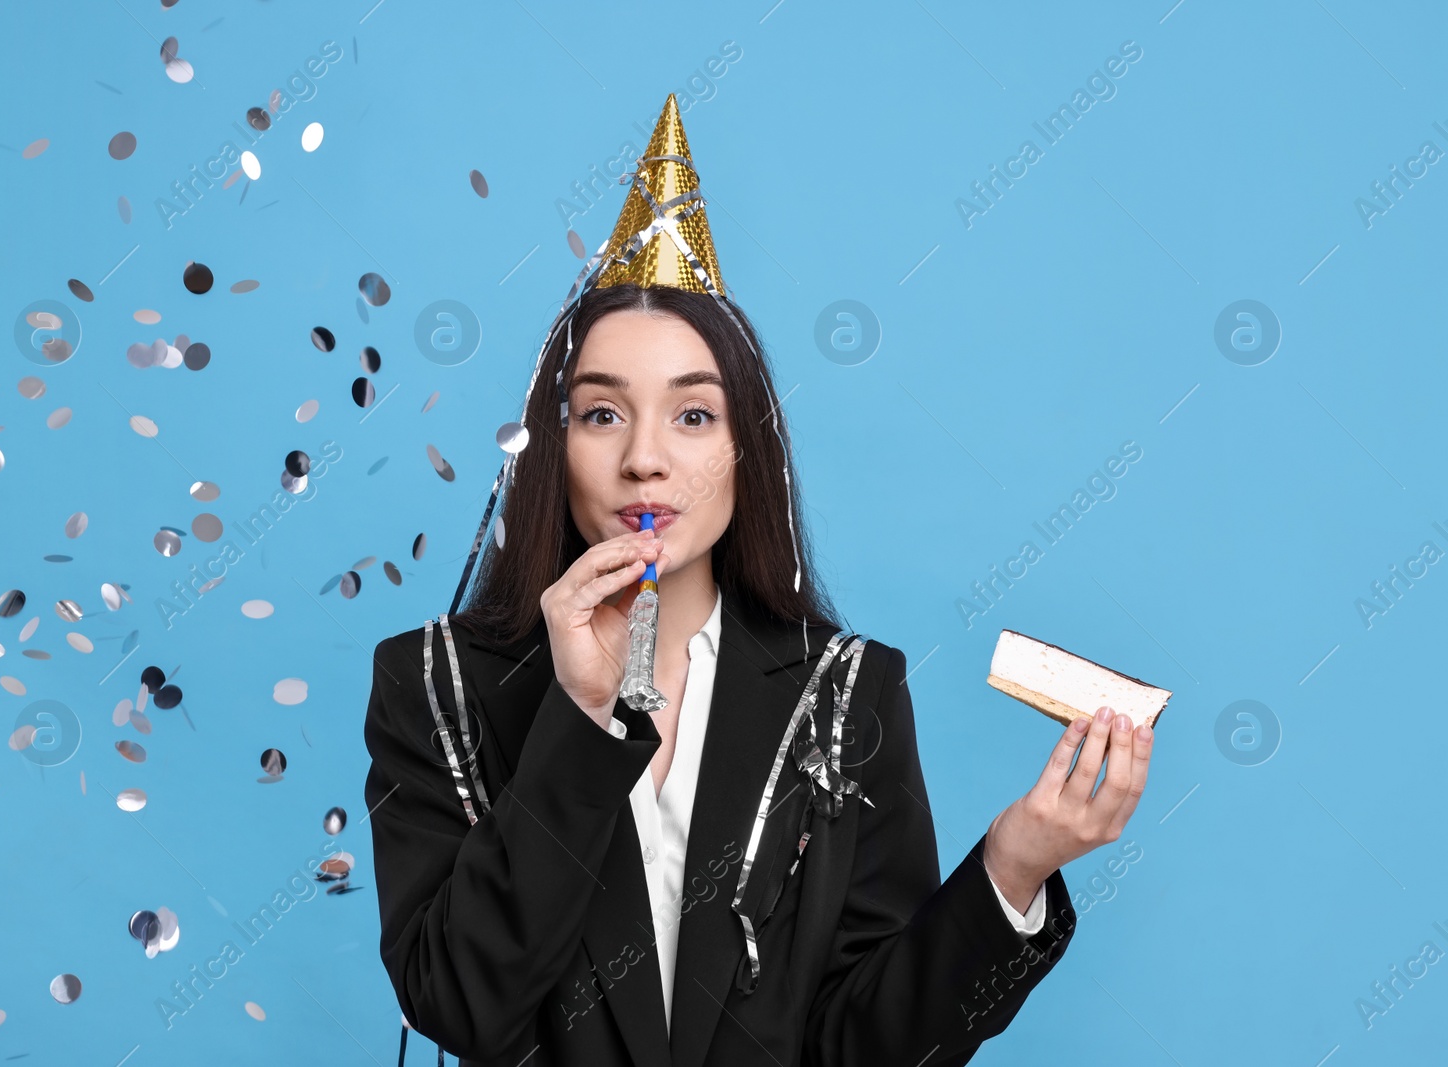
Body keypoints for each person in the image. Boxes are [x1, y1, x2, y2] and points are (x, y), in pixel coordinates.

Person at [364, 95, 1155, 1067]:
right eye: (603, 414)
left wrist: (1018, 860)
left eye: (692, 416)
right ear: (554, 446)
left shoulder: (847, 691)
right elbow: (460, 1003)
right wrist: (578, 712)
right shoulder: (435, 682)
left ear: (748, 451)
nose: (645, 459)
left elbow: (864, 1046)